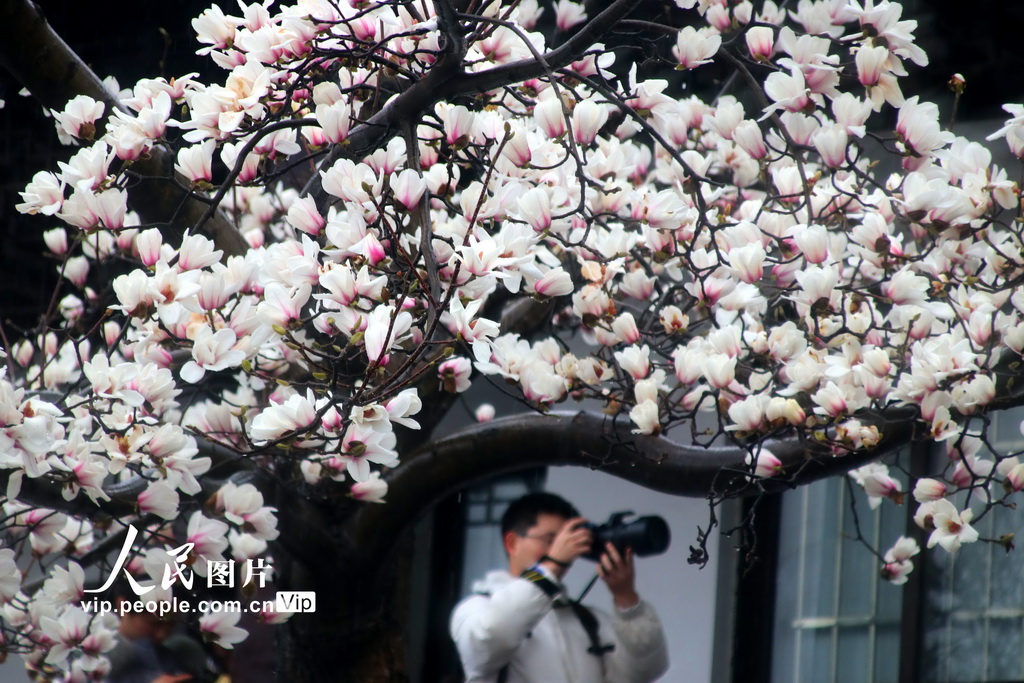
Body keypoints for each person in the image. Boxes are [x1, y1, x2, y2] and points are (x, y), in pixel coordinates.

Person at [450, 492, 669, 683]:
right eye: (550, 540)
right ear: (512, 543)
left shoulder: (588, 621)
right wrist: (551, 565)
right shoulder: (476, 608)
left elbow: (644, 672)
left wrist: (626, 598)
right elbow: (488, 642)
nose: (561, 549)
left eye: (566, 540)